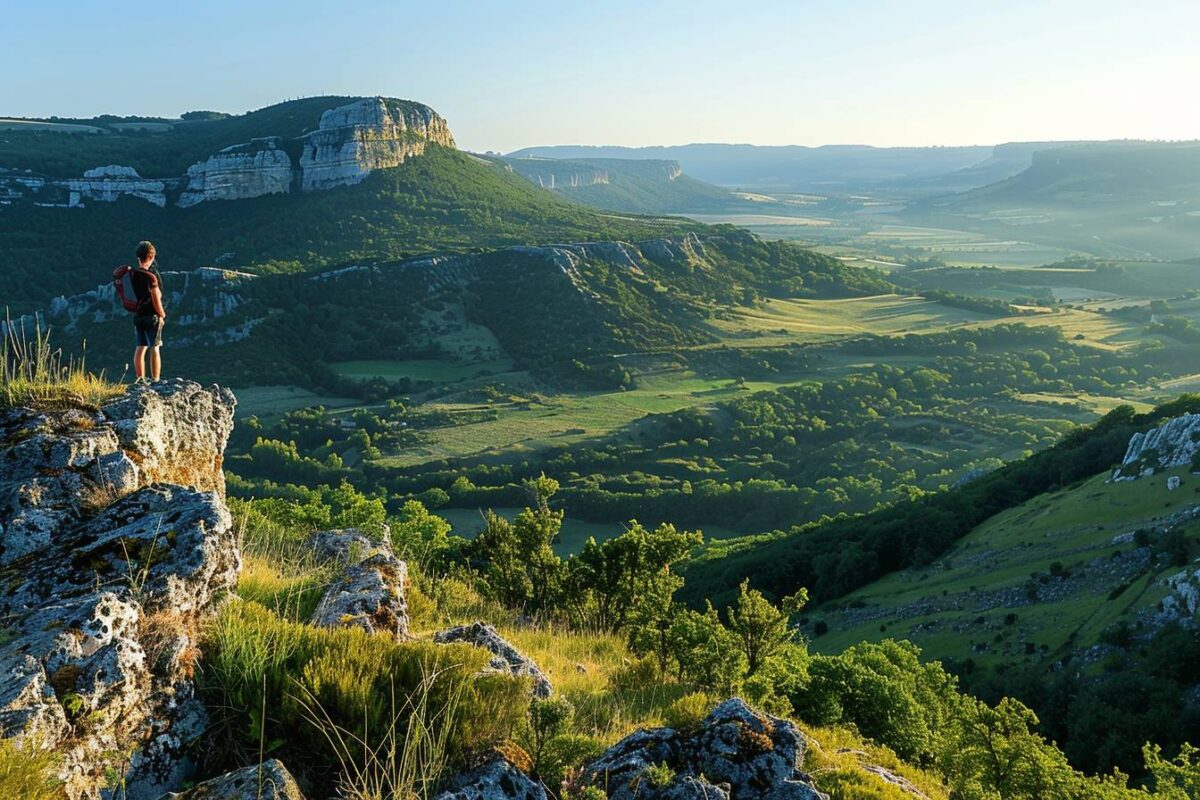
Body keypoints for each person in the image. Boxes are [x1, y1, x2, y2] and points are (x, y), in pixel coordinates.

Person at [131, 240, 166, 382]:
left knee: (140, 347)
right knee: (155, 347)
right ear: (151, 257)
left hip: (138, 315)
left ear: (138, 258)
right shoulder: (151, 276)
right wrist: (162, 314)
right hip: (152, 316)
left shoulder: (132, 275)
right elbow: (156, 297)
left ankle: (140, 379)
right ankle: (155, 379)